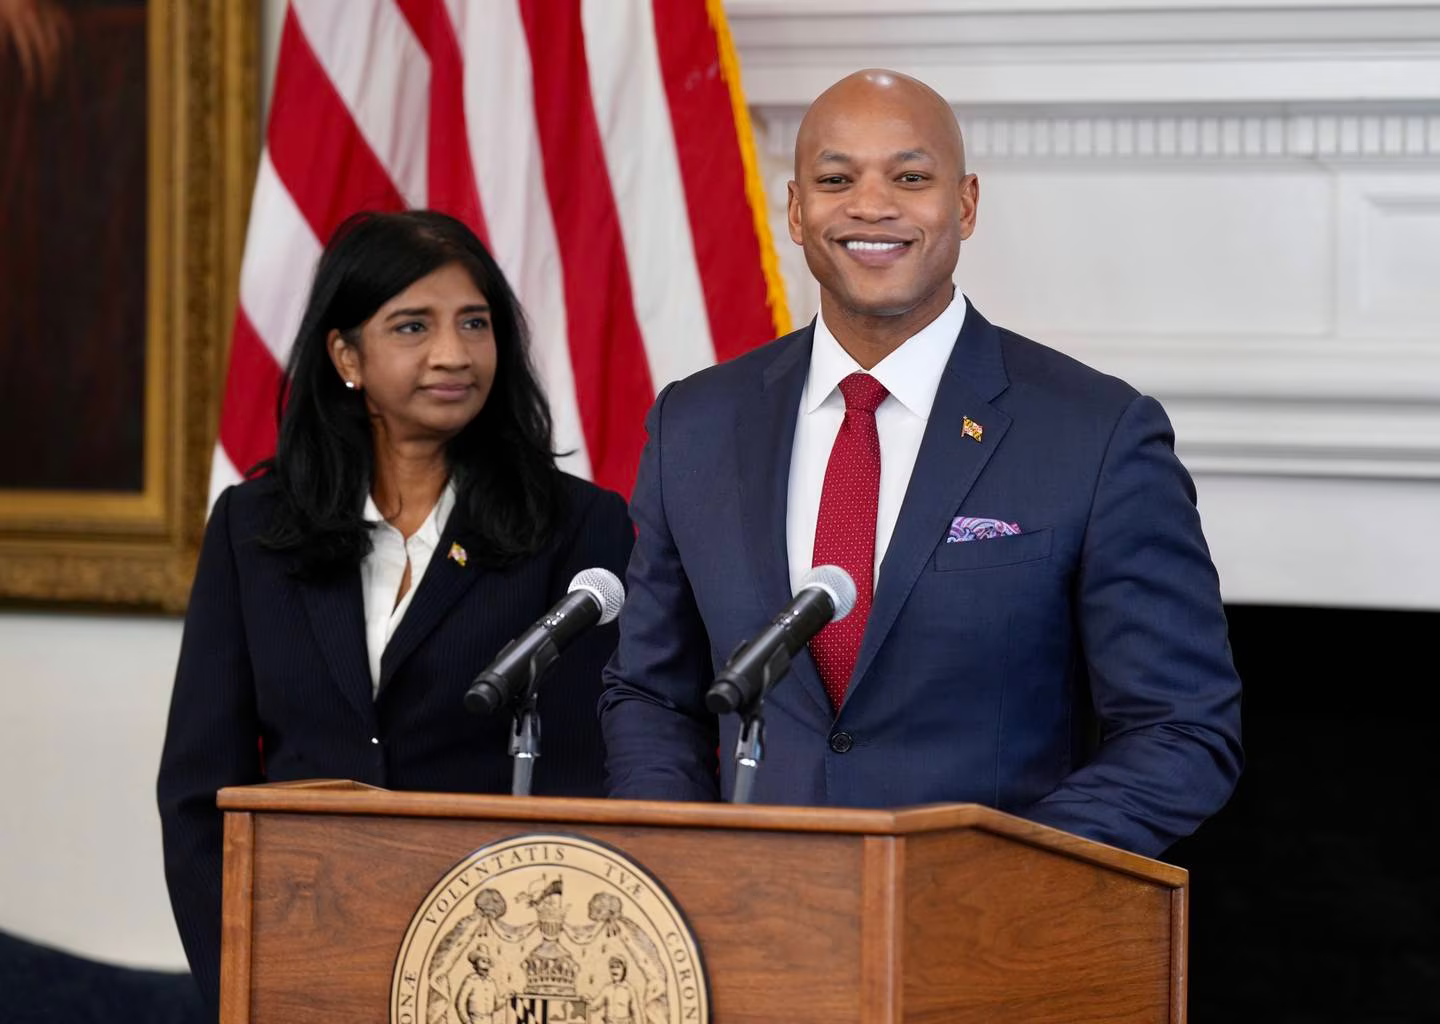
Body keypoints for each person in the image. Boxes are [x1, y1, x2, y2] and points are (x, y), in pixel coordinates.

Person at [599, 70, 1242, 859]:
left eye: (910, 177)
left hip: (987, 937)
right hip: (745, 933)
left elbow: (1180, 726)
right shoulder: (695, 422)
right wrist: (683, 861)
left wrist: (995, 878)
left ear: (965, 205)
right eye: (837, 180)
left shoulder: (1098, 432)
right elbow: (649, 693)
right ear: (797, 211)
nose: (872, 205)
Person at [157, 210, 634, 1009]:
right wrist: (240, 983)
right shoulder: (255, 529)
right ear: (347, 356)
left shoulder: (581, 526)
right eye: (413, 326)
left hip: (501, 974)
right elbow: (200, 794)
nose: (452, 353)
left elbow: (595, 778)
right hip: (303, 962)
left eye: (474, 324)